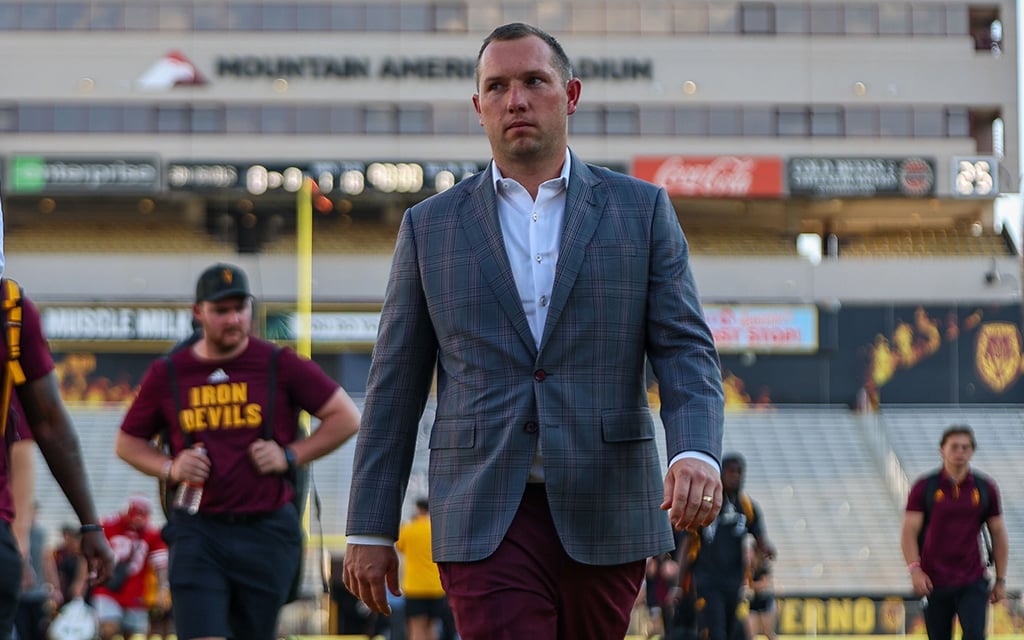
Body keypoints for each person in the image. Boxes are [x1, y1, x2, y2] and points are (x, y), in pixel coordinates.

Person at [343, 22, 725, 639]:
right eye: (497, 86)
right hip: (482, 505)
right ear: (478, 106)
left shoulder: (641, 210)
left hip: (606, 503)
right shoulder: (429, 228)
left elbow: (686, 350)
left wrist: (694, 449)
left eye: (533, 82)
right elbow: (394, 387)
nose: (514, 99)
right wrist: (369, 524)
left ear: (569, 94)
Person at [115, 262, 362, 640]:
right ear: (198, 313)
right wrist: (171, 466)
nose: (233, 319)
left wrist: (290, 454)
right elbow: (127, 442)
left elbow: (345, 416)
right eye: (220, 310)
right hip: (199, 531)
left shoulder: (278, 362)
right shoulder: (171, 371)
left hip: (265, 531)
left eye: (239, 308)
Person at [0, 277, 115, 639]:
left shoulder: (11, 310)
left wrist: (90, 524)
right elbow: (48, 425)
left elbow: (43, 428)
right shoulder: (10, 308)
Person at [900, 425, 1008, 640]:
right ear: (942, 450)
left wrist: (1000, 579)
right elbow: (909, 531)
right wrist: (915, 570)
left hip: (972, 579)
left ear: (972, 451)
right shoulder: (925, 487)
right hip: (934, 581)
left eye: (965, 447)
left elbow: (997, 533)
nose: (960, 452)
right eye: (955, 447)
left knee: (975, 635)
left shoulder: (984, 487)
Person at [679, 452, 775, 640]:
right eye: (731, 471)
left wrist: (767, 549)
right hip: (707, 581)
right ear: (721, 473)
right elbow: (687, 543)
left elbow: (760, 537)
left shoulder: (746, 506)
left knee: (732, 632)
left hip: (734, 582)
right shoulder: (707, 503)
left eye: (739, 472)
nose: (736, 476)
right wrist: (679, 583)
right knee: (714, 632)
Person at [89, 496, 168, 640]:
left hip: (136, 591)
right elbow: (92, 552)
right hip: (109, 587)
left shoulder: (151, 533)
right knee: (108, 629)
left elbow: (160, 563)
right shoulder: (109, 524)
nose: (137, 520)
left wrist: (163, 588)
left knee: (135, 634)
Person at [395, 499, 454, 640]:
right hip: (436, 586)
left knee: (416, 626)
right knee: (431, 626)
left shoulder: (409, 529)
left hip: (415, 587)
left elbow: (399, 546)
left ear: (418, 509)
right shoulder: (438, 528)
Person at [745, 549, 777, 640]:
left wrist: (750, 585)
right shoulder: (748, 568)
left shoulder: (763, 567)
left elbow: (764, 584)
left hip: (765, 601)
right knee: (750, 634)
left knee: (768, 632)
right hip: (753, 601)